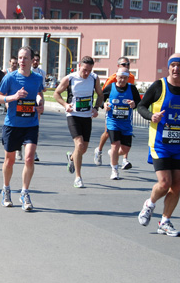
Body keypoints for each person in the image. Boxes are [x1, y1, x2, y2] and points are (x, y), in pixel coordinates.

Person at [137, 53, 180, 237]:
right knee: (165, 183)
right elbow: (141, 106)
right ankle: (149, 204)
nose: (176, 69)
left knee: (177, 185)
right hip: (160, 144)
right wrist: (152, 116)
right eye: (173, 65)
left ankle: (165, 221)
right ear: (168, 67)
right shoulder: (159, 86)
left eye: (179, 65)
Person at [0, 46, 45, 211]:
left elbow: (39, 94)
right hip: (13, 125)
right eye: (20, 58)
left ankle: (24, 192)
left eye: (26, 58)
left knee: (29, 158)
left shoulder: (37, 78)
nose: (22, 61)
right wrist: (13, 97)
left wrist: (40, 103)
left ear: (32, 61)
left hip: (31, 124)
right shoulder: (10, 78)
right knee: (10, 160)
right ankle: (6, 189)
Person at [53, 56, 103, 188]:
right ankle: (78, 178)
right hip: (73, 115)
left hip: (86, 116)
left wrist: (96, 108)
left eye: (89, 70)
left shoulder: (94, 78)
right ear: (79, 66)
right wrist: (65, 105)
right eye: (85, 70)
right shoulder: (70, 78)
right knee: (79, 145)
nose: (87, 73)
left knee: (83, 149)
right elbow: (56, 93)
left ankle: (71, 157)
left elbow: (100, 94)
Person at [93, 57, 136, 167]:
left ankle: (124, 159)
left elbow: (132, 93)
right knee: (108, 133)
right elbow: (102, 94)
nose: (126, 66)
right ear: (118, 66)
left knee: (123, 139)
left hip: (125, 114)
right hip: (112, 113)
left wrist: (133, 103)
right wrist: (104, 104)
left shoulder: (131, 77)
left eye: (128, 64)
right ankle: (99, 150)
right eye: (123, 64)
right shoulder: (112, 78)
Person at [101, 67, 141, 180]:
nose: (122, 80)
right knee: (115, 145)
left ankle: (112, 154)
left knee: (125, 149)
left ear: (128, 78)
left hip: (126, 123)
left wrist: (134, 104)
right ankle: (114, 170)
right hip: (113, 121)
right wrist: (104, 105)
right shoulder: (110, 87)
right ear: (116, 77)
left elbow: (139, 102)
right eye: (120, 77)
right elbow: (100, 99)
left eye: (124, 78)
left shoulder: (132, 89)